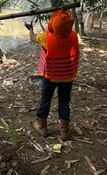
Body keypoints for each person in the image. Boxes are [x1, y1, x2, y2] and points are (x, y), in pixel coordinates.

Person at [27, 9, 80, 141]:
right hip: (68, 76)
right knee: (64, 101)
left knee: (45, 100)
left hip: (50, 76)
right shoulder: (74, 35)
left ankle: (42, 128)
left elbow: (33, 38)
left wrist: (31, 29)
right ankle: (64, 132)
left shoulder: (45, 37)